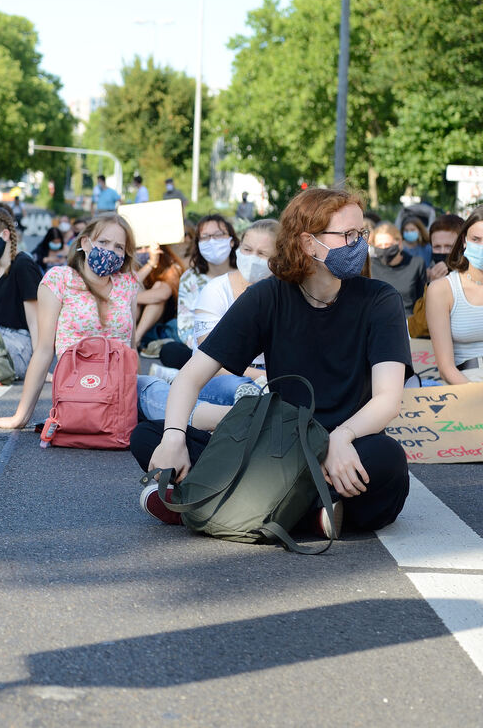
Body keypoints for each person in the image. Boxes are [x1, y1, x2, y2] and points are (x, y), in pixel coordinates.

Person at [134, 188, 410, 535]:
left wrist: (340, 438)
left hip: (348, 444)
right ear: (309, 243)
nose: (360, 244)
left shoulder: (380, 300)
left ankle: (208, 504)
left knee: (388, 461)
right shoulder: (267, 296)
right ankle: (304, 515)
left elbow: (389, 398)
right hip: (277, 448)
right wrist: (173, 439)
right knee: (149, 435)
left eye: (362, 234)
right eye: (349, 235)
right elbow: (190, 377)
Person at [0, 213, 141, 430]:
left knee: (162, 395)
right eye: (103, 242)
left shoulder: (128, 284)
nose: (110, 251)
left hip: (120, 387)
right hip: (78, 385)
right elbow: (44, 350)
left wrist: (132, 404)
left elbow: (131, 349)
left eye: (119, 247)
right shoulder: (60, 280)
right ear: (85, 243)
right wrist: (20, 417)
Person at [137, 220, 280, 421]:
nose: (252, 258)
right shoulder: (216, 290)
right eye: (247, 250)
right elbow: (210, 361)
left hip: (274, 376)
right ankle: (253, 411)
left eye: (262, 254)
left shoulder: (289, 294)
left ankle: (246, 417)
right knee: (235, 387)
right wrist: (262, 378)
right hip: (224, 375)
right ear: (239, 248)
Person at [157, 214, 238, 370]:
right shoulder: (190, 277)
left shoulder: (244, 273)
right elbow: (185, 327)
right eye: (205, 237)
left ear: (232, 240)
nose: (212, 241)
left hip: (242, 348)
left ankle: (187, 375)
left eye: (218, 235)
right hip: (204, 349)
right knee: (171, 351)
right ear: (198, 244)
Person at [0, 206, 41, 378]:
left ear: (4, 234)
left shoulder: (23, 265)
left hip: (20, 343)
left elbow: (35, 321)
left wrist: (40, 366)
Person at [426, 208, 483, 384]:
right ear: (464, 240)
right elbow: (446, 369)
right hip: (467, 383)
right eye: (476, 240)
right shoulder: (442, 290)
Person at [369, 222, 427, 315]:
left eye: (387, 245)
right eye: (379, 246)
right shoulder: (370, 265)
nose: (384, 249)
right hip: (377, 319)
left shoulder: (416, 264)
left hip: (408, 321)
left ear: (399, 243)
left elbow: (421, 300)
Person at [133, 243, 183, 349]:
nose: (143, 251)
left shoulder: (170, 267)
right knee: (134, 288)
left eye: (146, 247)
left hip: (160, 324)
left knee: (156, 291)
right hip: (135, 322)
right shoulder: (130, 268)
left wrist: (125, 298)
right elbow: (127, 286)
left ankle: (136, 339)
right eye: (139, 248)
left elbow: (162, 294)